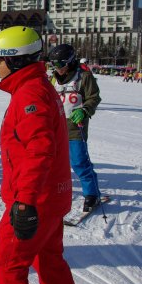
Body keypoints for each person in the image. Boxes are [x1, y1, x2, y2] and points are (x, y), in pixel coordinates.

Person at [0, 26, 83, 284]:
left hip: (35, 200)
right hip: (51, 197)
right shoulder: (38, 86)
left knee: (7, 268)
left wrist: (25, 202)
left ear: (13, 60)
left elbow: (39, 151)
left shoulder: (30, 93)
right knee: (48, 257)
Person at [49, 43, 102, 213]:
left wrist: (85, 110)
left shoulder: (84, 77)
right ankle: (56, 190)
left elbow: (94, 97)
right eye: (53, 65)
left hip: (75, 128)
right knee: (54, 162)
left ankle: (92, 194)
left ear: (70, 62)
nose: (57, 68)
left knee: (79, 162)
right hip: (55, 127)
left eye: (60, 64)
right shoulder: (52, 78)